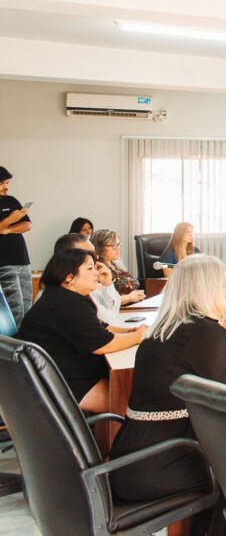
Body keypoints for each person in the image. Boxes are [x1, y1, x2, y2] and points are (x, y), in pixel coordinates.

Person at [109, 254, 226, 536]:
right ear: (207, 289)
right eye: (224, 285)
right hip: (161, 464)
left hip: (133, 458)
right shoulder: (204, 334)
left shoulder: (163, 330)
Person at [16, 248, 144, 412]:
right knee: (134, 403)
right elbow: (103, 344)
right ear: (69, 278)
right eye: (90, 268)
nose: (96, 272)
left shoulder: (63, 296)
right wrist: (138, 336)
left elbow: (100, 327)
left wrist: (130, 332)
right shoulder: (67, 303)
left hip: (58, 373)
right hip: (62, 383)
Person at [48, 233, 125, 323]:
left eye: (94, 253)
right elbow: (107, 323)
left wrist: (107, 284)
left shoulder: (82, 286)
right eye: (89, 253)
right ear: (69, 259)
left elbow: (110, 318)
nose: (96, 257)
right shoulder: (63, 295)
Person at [0, 166, 32, 327]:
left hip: (23, 261)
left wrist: (6, 229)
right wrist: (10, 220)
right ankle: (15, 342)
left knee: (27, 308)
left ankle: (25, 339)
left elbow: (27, 225)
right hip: (4, 264)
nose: (6, 186)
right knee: (15, 310)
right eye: (2, 183)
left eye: (7, 183)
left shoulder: (11, 200)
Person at [92, 229, 147, 306]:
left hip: (133, 305)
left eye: (118, 244)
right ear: (100, 247)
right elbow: (104, 300)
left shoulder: (115, 263)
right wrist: (129, 298)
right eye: (113, 246)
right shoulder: (97, 269)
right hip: (119, 309)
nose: (118, 248)